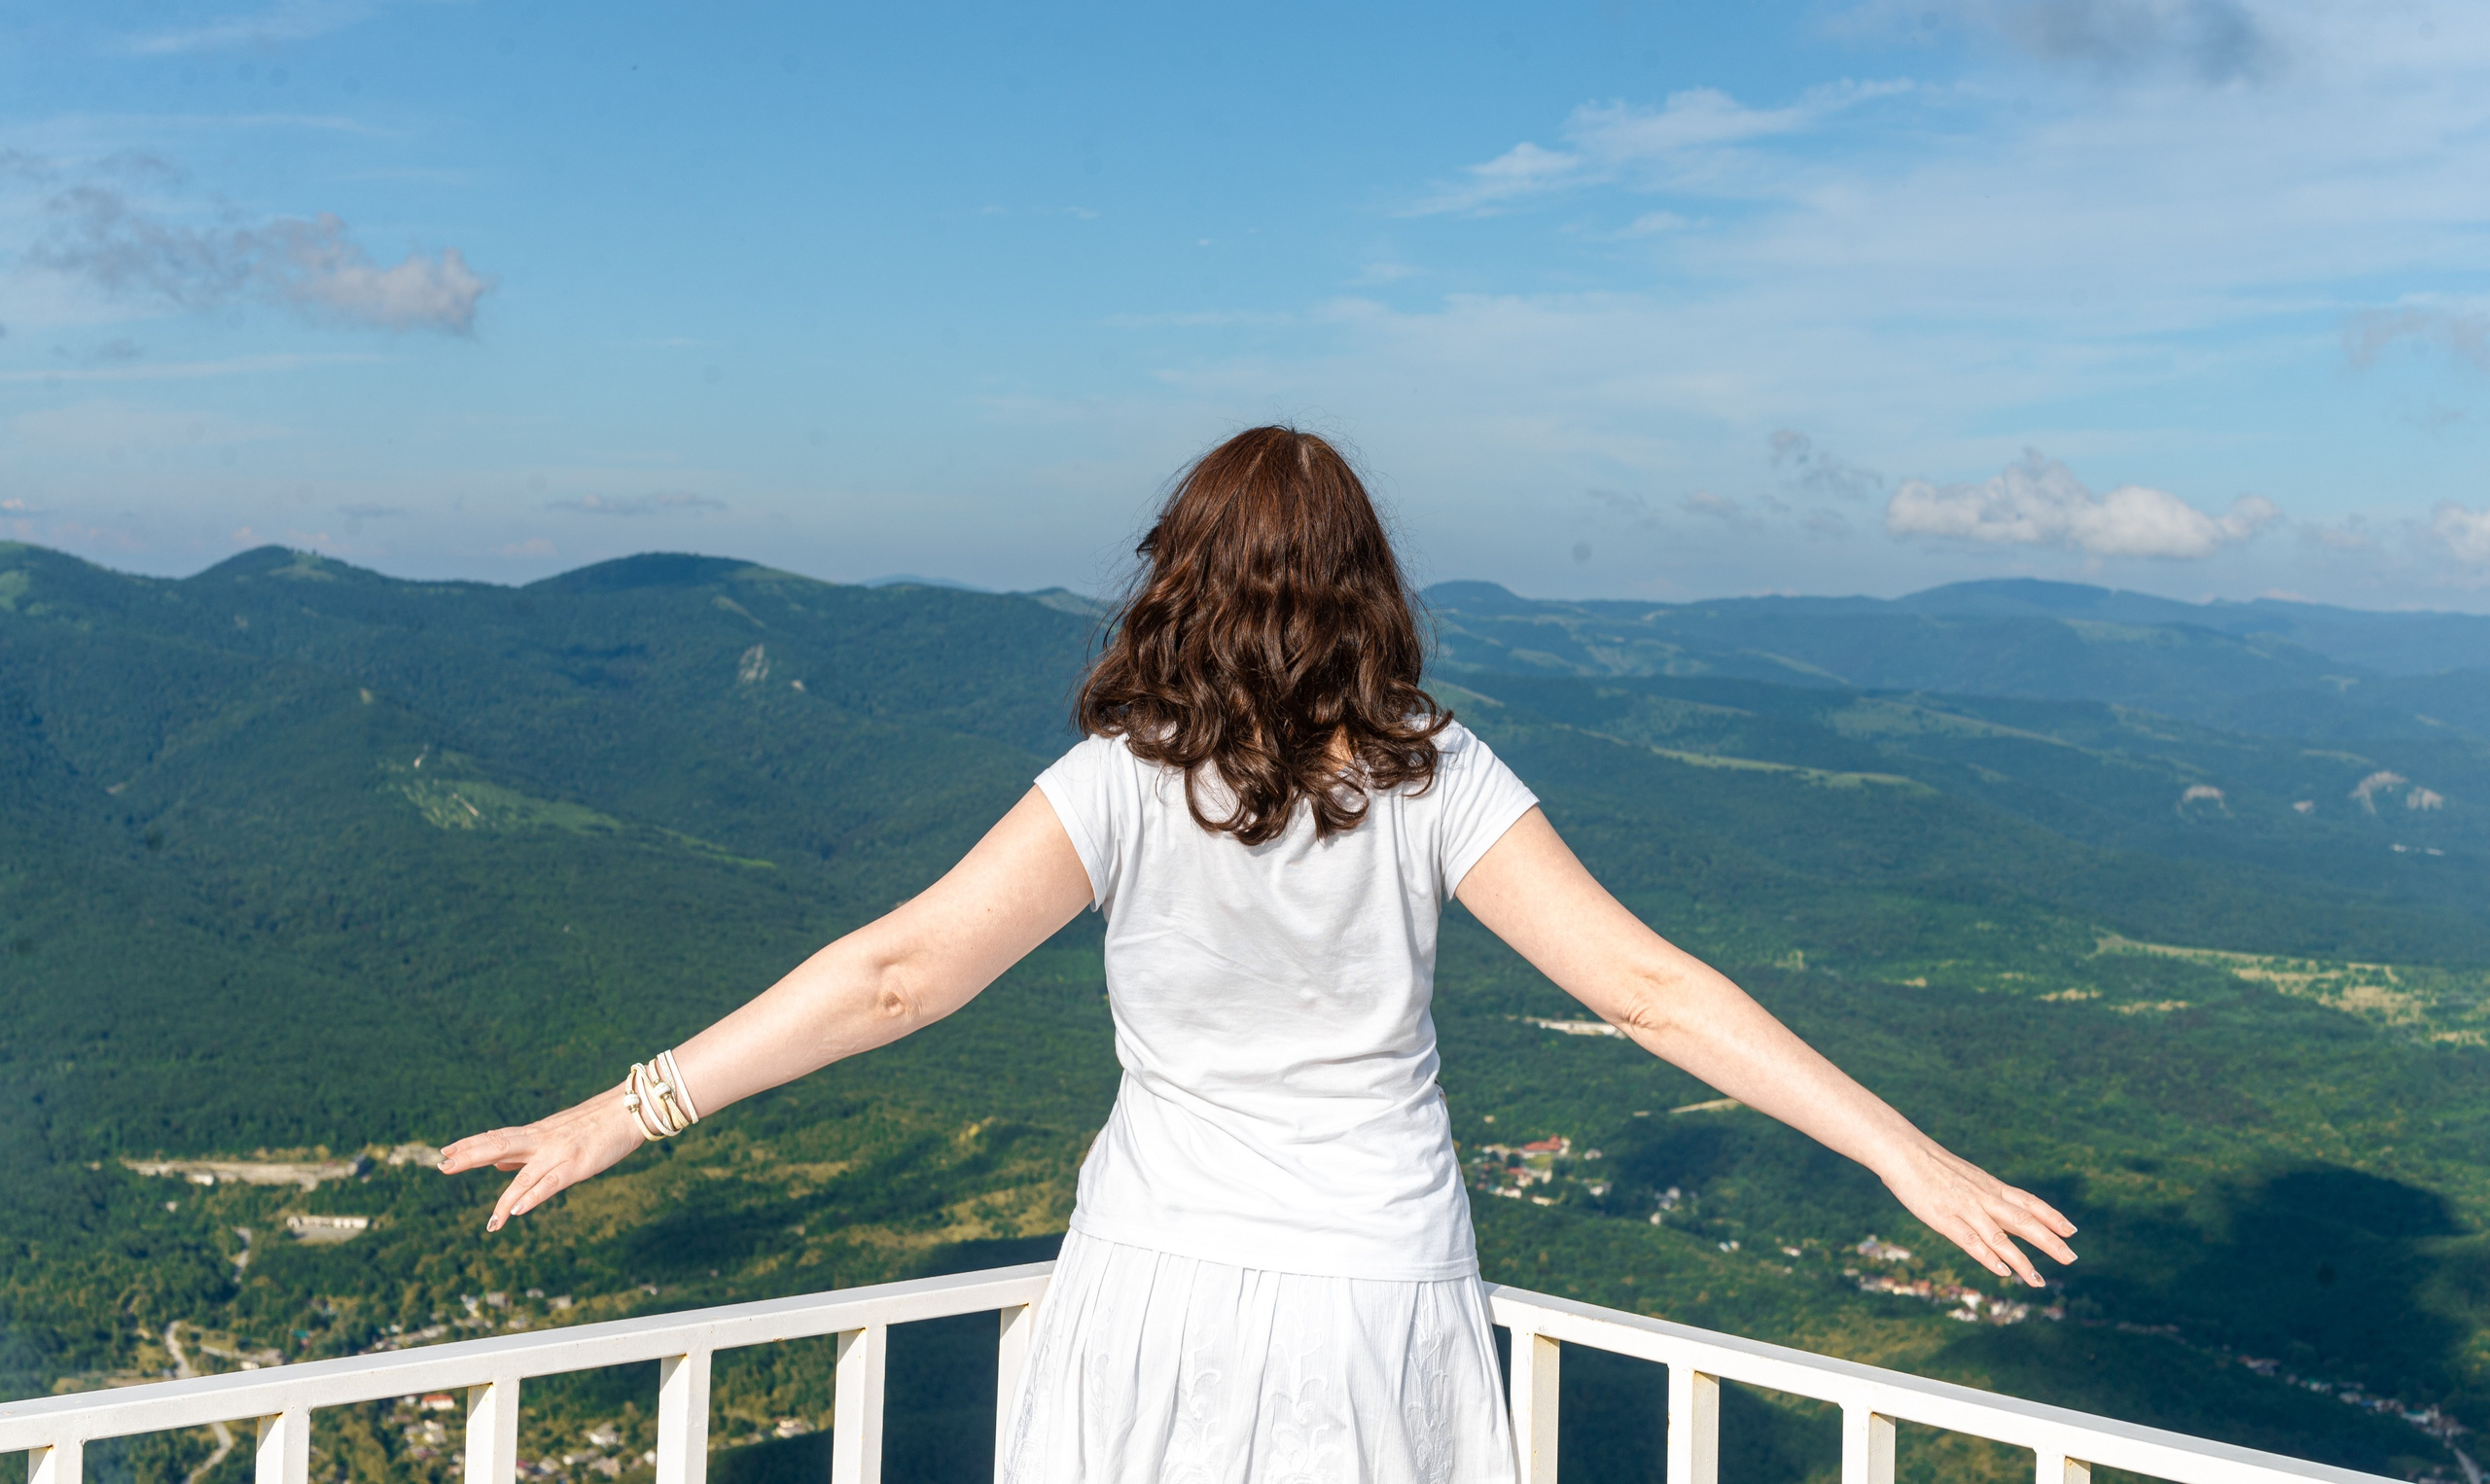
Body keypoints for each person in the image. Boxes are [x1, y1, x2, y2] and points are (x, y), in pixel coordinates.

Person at [441, 425, 2077, 1484]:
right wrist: (1901, 1148)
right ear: (1365, 591)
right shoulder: (1437, 771)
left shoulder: (1122, 783)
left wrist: (623, 1110)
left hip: (1151, 1288)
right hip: (1375, 1297)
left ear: (1178, 579)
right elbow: (1649, 989)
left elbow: (897, 976)